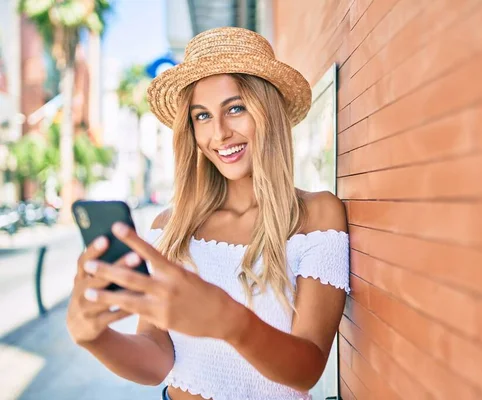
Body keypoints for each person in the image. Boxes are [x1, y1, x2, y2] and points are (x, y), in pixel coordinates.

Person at [66, 27, 350, 400]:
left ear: (268, 111)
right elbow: (156, 361)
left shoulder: (316, 217)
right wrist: (95, 338)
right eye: (201, 116)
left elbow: (307, 370)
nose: (219, 133)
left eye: (235, 108)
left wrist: (230, 322)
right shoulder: (170, 227)